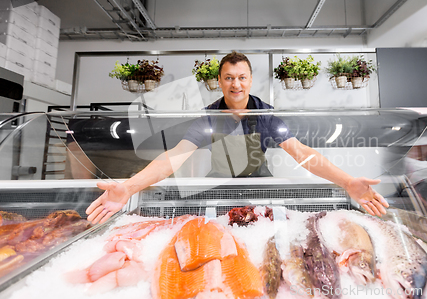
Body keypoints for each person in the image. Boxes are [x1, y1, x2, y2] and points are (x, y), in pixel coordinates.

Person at [86, 52, 389, 224]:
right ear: (219, 82)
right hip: (219, 185)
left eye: (242, 77)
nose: (236, 84)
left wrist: (347, 182)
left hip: (260, 182)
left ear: (250, 80)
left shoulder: (264, 114)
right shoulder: (209, 116)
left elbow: (301, 152)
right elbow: (174, 157)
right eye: (229, 77)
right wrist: (129, 187)